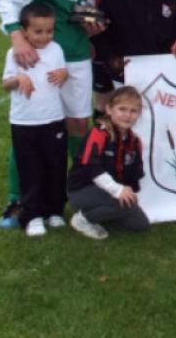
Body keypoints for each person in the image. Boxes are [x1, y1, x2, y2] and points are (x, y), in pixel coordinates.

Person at [0, 0, 104, 228]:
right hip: (36, 49)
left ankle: (77, 193)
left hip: (72, 52)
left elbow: (84, 4)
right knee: (30, 123)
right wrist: (16, 35)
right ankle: (19, 199)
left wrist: (91, 26)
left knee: (76, 124)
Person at [2, 3, 68, 236]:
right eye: (38, 32)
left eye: (49, 31)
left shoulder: (57, 49)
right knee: (30, 169)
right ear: (25, 31)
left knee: (55, 167)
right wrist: (19, 78)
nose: (44, 36)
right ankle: (33, 215)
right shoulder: (14, 53)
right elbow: (5, 84)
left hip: (53, 119)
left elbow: (62, 72)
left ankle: (55, 211)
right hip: (24, 122)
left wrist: (64, 73)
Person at [67, 86, 150, 240]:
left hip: (109, 192)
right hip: (82, 190)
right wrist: (118, 191)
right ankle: (82, 219)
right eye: (122, 109)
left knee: (140, 225)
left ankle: (106, 212)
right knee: (125, 205)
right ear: (109, 109)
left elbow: (134, 176)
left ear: (139, 114)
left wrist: (130, 193)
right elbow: (92, 168)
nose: (127, 115)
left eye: (133, 111)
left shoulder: (134, 141)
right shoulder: (99, 133)